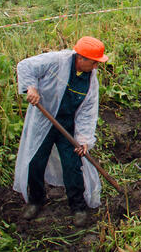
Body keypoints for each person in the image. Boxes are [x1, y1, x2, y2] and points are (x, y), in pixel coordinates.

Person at [14, 36, 108, 227]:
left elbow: (88, 111)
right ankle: (36, 200)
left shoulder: (91, 80)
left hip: (67, 126)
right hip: (44, 122)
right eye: (94, 62)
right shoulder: (56, 60)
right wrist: (31, 87)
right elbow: (25, 66)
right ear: (81, 58)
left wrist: (84, 139)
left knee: (73, 165)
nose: (97, 66)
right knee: (35, 161)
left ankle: (78, 207)